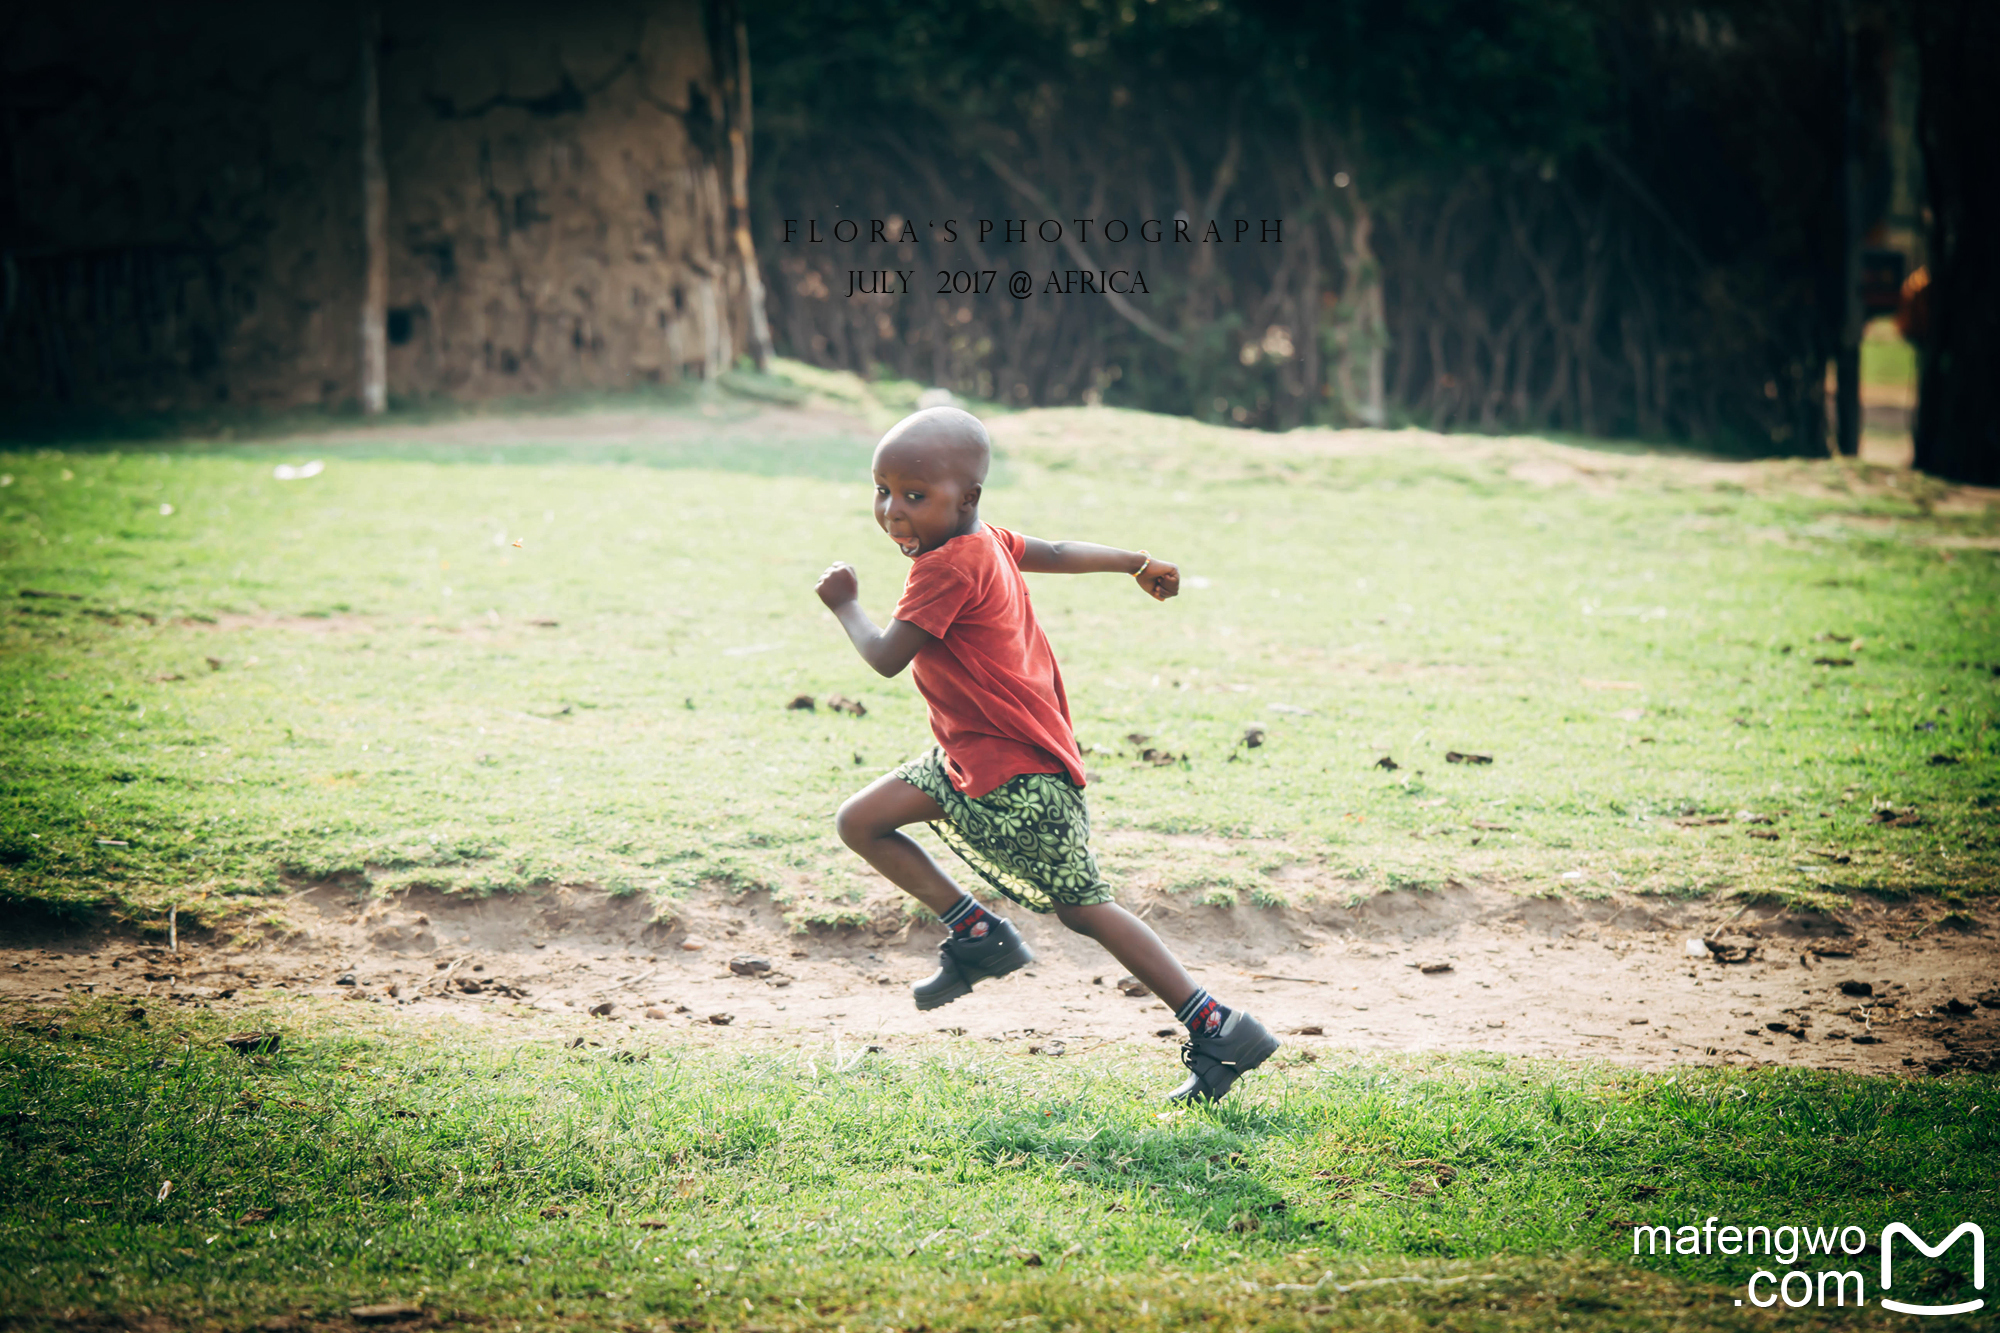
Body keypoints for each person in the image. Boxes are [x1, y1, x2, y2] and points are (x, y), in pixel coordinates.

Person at [814, 406, 1279, 1104]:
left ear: (965, 498)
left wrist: (846, 603)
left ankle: (1220, 1025)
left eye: (915, 495)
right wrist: (1136, 561)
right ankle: (977, 933)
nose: (892, 511)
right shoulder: (986, 541)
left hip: (1017, 776)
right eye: (882, 490)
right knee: (863, 820)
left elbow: (884, 657)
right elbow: (1056, 550)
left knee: (1085, 907)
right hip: (971, 758)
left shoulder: (944, 567)